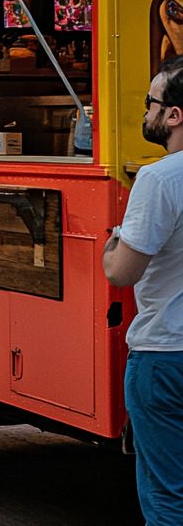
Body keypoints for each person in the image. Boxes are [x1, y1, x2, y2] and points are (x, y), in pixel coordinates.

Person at [104, 56, 183, 524]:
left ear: (175, 115)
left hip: (165, 357)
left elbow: (123, 272)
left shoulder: (159, 178)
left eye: (152, 102)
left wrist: (112, 242)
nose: (147, 112)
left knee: (169, 494)